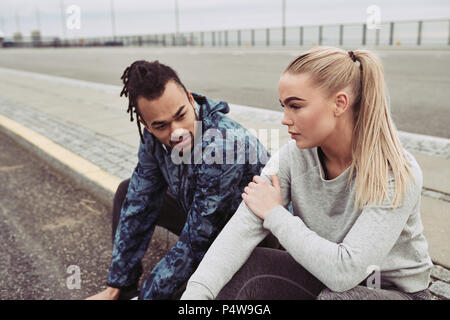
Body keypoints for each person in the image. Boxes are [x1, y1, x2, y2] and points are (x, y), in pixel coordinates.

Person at [180, 47, 433, 300]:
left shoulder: (396, 171)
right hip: (322, 277)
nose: (285, 119)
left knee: (336, 299)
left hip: (393, 292)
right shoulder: (293, 157)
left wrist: (275, 214)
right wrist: (196, 295)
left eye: (296, 106)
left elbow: (344, 273)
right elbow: (239, 233)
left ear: (339, 103)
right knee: (244, 266)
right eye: (283, 106)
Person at [86, 60, 272, 300]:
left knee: (184, 296)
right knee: (127, 192)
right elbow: (139, 203)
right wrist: (117, 284)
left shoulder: (224, 144)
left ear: (190, 99)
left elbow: (198, 241)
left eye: (181, 115)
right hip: (204, 221)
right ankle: (124, 290)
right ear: (146, 125)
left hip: (255, 241)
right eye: (161, 125)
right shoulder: (152, 139)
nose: (177, 132)